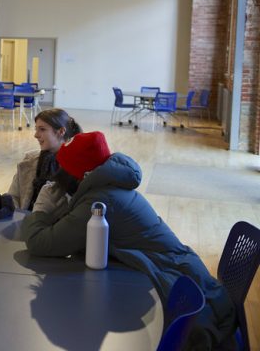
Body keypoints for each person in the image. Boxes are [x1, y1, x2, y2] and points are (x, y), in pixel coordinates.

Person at [22, 131, 237, 349]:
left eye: (63, 167)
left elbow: (40, 242)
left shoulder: (100, 201)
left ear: (80, 174)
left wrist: (40, 209)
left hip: (171, 278)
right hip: (177, 267)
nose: (58, 173)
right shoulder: (109, 187)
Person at [7, 108, 82, 211]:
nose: (36, 135)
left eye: (42, 129)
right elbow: (13, 197)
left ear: (61, 131)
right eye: (36, 129)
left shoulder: (77, 168)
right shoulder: (29, 161)